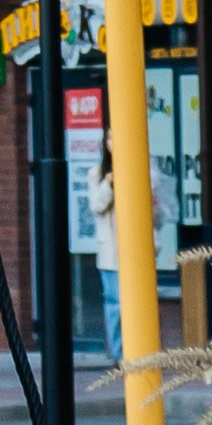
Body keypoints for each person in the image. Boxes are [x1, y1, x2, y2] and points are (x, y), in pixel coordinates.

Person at [91, 131, 122, 358]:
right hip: (110, 250)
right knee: (114, 303)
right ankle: (117, 353)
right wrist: (109, 184)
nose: (113, 143)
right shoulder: (97, 173)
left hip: (135, 251)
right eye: (109, 138)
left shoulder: (139, 166)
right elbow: (96, 205)